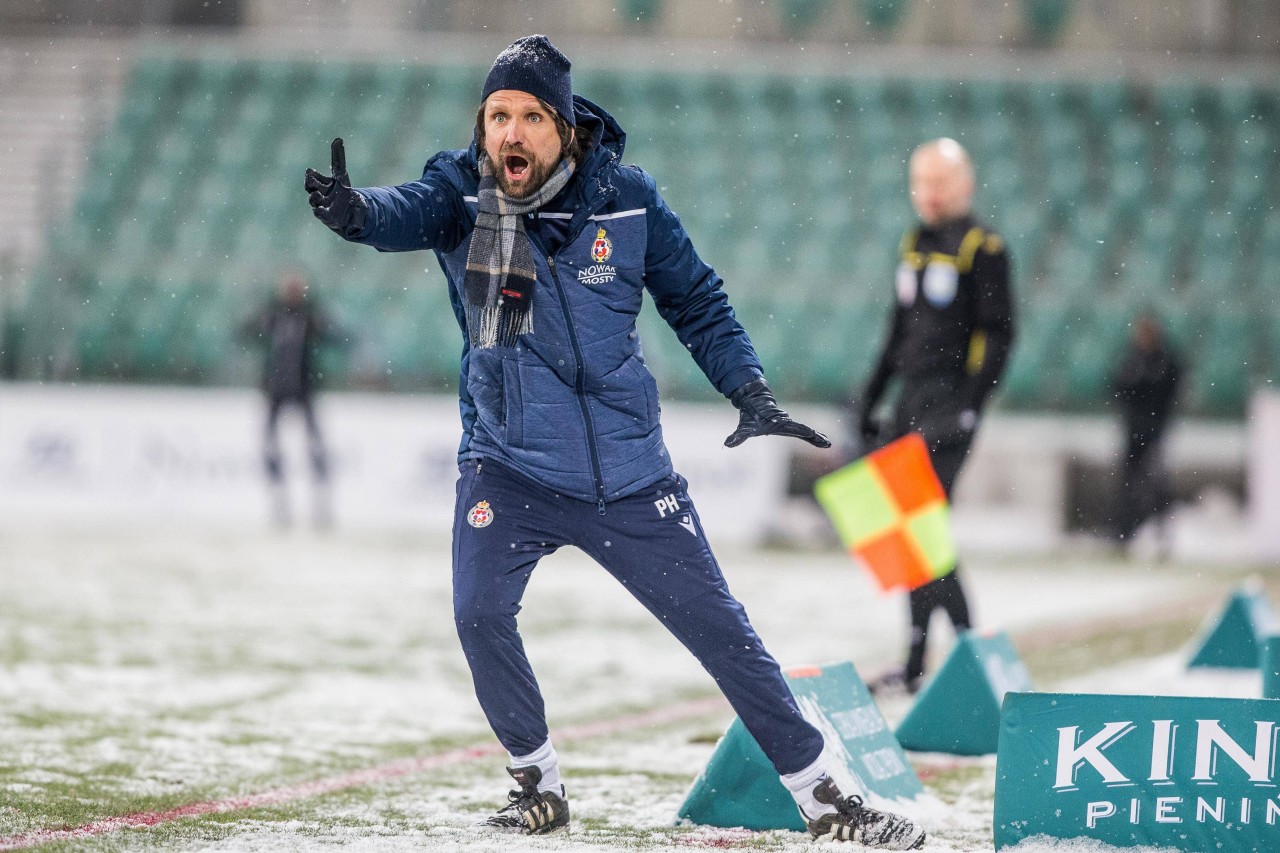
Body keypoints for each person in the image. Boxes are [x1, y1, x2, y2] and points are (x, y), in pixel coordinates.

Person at [304, 35, 923, 848]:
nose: (510, 134)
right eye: (496, 116)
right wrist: (354, 214)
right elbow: (400, 213)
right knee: (479, 612)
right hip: (508, 462)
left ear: (564, 125)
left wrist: (749, 389)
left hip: (628, 476)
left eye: (529, 116)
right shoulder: (459, 193)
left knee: (724, 636)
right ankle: (538, 783)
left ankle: (824, 797)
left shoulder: (627, 199)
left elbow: (696, 299)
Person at [851, 138, 1014, 696]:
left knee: (924, 532)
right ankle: (922, 662)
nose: (930, 193)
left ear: (964, 185)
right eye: (921, 182)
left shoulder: (981, 248)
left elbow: (998, 335)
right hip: (910, 403)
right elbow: (897, 332)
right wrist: (870, 399)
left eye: (940, 182)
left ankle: (967, 654)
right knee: (908, 535)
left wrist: (971, 405)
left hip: (948, 406)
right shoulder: (913, 245)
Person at [239, 270, 345, 528]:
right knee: (275, 446)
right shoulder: (273, 315)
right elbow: (246, 331)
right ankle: (280, 504)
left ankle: (320, 505)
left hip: (302, 387)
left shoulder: (308, 316)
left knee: (313, 447)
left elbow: (334, 336)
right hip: (278, 389)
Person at [1109, 313, 1181, 550]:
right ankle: (1125, 533)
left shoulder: (1164, 361)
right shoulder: (1131, 360)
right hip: (1134, 430)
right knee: (1129, 485)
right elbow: (1118, 389)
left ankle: (1161, 535)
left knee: (1157, 485)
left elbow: (1170, 392)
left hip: (1155, 431)